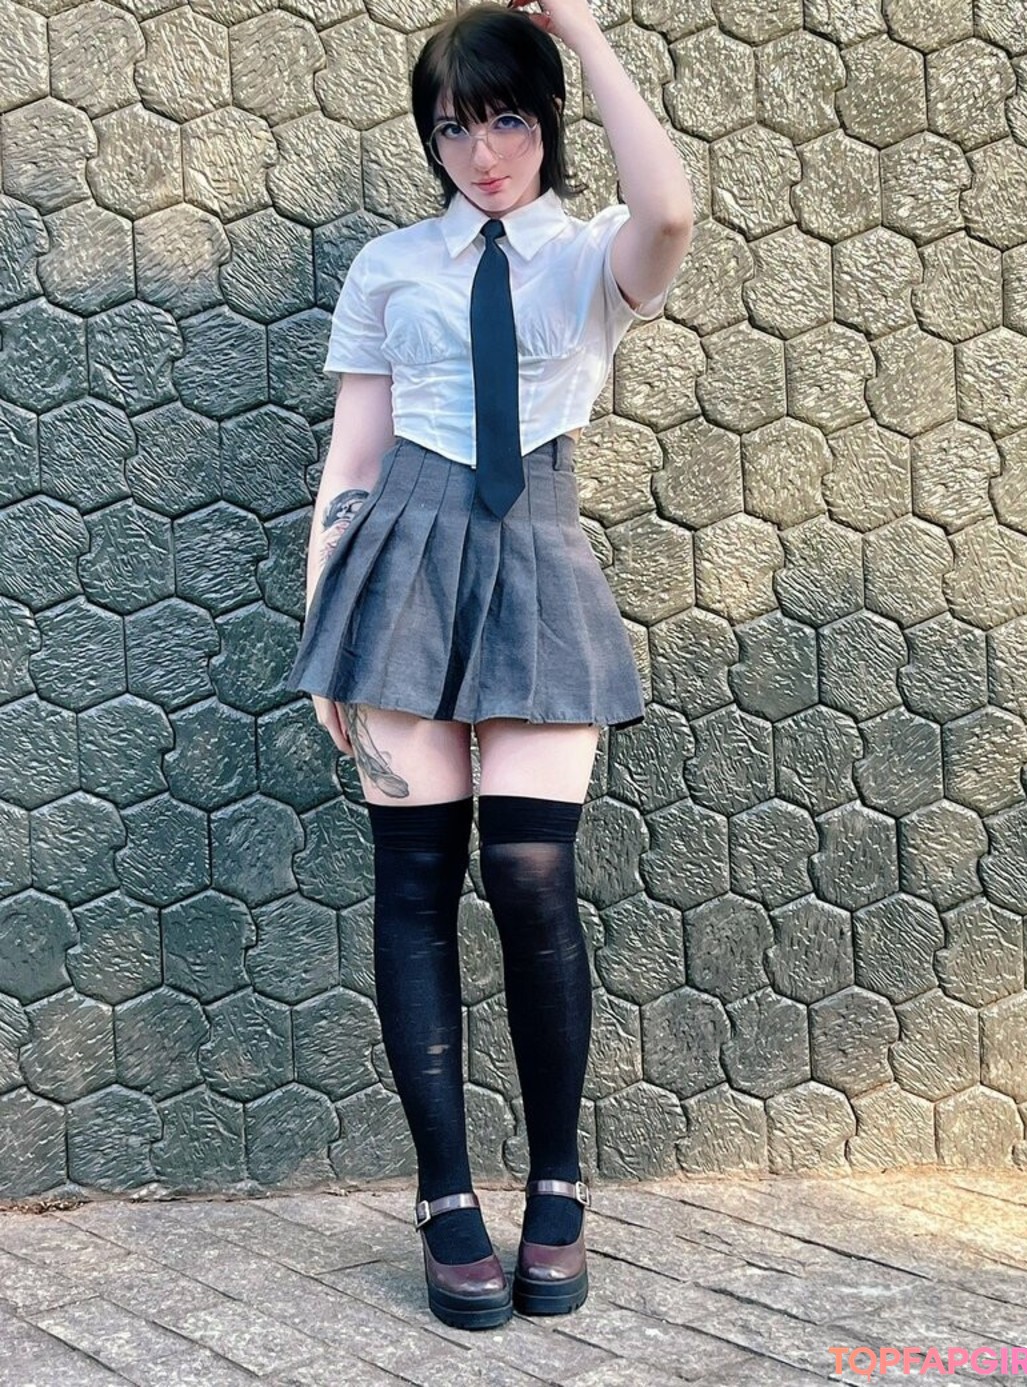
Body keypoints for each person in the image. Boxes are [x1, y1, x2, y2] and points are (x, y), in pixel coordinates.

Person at [285, 0, 693, 1332]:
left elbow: (673, 210)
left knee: (529, 875)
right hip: (397, 567)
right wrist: (325, 635)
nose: (483, 152)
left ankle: (558, 1184)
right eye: (455, 127)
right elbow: (353, 458)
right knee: (413, 884)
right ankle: (445, 1197)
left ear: (548, 120)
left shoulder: (589, 258)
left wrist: (583, 31)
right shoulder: (392, 266)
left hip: (538, 562)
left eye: (508, 117)